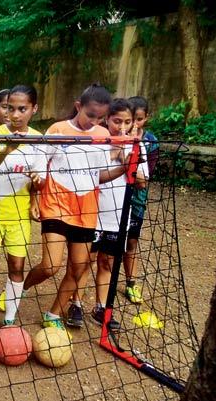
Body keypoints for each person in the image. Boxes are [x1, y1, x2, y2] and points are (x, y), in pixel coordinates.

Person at [23, 83, 129, 331]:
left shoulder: (102, 136)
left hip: (86, 211)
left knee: (79, 267)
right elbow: (39, 163)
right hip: (56, 204)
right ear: (78, 106)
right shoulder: (58, 129)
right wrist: (35, 196)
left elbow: (98, 176)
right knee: (50, 265)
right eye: (90, 115)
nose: (94, 121)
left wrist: (124, 168)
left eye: (100, 118)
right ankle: (21, 287)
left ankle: (53, 314)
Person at [69, 98, 148, 329]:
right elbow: (88, 173)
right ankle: (76, 303)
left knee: (108, 262)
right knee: (85, 261)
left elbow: (142, 182)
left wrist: (126, 159)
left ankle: (101, 307)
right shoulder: (97, 141)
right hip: (92, 213)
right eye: (116, 121)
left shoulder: (136, 145)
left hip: (119, 216)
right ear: (106, 120)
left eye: (127, 122)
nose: (121, 127)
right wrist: (113, 155)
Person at [0, 85, 46, 327]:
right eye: (10, 108)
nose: (15, 115)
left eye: (22, 109)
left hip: (19, 213)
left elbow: (39, 179)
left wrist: (38, 183)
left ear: (34, 109)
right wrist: (7, 149)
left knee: (17, 264)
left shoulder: (39, 140)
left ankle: (9, 319)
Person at [123, 96, 159, 304]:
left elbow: (144, 178)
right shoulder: (116, 137)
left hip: (137, 200)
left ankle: (131, 283)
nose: (134, 124)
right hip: (115, 199)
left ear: (146, 118)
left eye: (139, 119)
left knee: (132, 241)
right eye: (131, 119)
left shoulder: (151, 141)